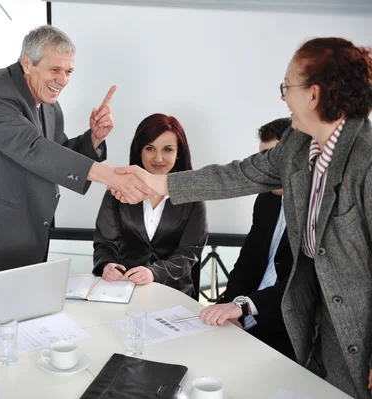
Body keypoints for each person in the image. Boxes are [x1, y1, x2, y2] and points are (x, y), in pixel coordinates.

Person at [115, 37, 372, 398]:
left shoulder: (367, 159)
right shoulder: (297, 147)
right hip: (308, 321)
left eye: (288, 87)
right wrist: (158, 181)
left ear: (314, 95)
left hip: (358, 330)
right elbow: (236, 175)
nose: (283, 97)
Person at [0, 25, 154, 284]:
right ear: (27, 63)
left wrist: (94, 138)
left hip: (27, 241)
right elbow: (33, 148)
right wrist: (112, 177)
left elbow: (56, 156)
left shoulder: (51, 108)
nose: (63, 80)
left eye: (69, 71)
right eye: (55, 70)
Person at [200, 117, 296, 360]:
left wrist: (243, 307)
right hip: (247, 315)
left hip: (288, 326)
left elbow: (300, 285)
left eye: (275, 158)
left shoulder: (317, 209)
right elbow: (248, 261)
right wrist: (231, 307)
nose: (268, 169)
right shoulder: (267, 199)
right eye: (263, 159)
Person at [93, 113, 207, 298]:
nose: (159, 158)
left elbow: (189, 252)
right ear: (140, 150)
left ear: (179, 153)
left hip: (175, 294)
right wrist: (106, 265)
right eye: (150, 148)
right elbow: (105, 242)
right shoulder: (117, 191)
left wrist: (154, 273)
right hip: (124, 290)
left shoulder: (192, 196)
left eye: (168, 149)